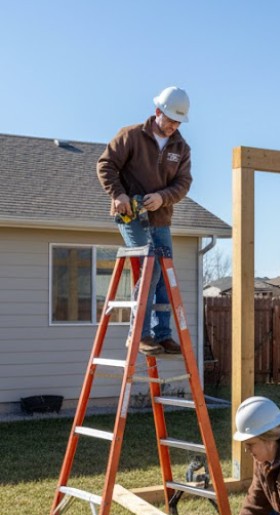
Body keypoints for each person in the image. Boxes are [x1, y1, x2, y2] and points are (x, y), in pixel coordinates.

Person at [97, 86, 192, 356]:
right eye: (170, 119)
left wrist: (163, 197)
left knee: (164, 274)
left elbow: (183, 183)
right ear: (157, 112)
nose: (174, 125)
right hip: (131, 214)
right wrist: (118, 194)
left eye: (178, 122)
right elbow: (105, 165)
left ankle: (162, 335)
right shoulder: (131, 135)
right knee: (150, 267)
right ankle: (138, 335)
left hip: (160, 217)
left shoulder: (181, 148)